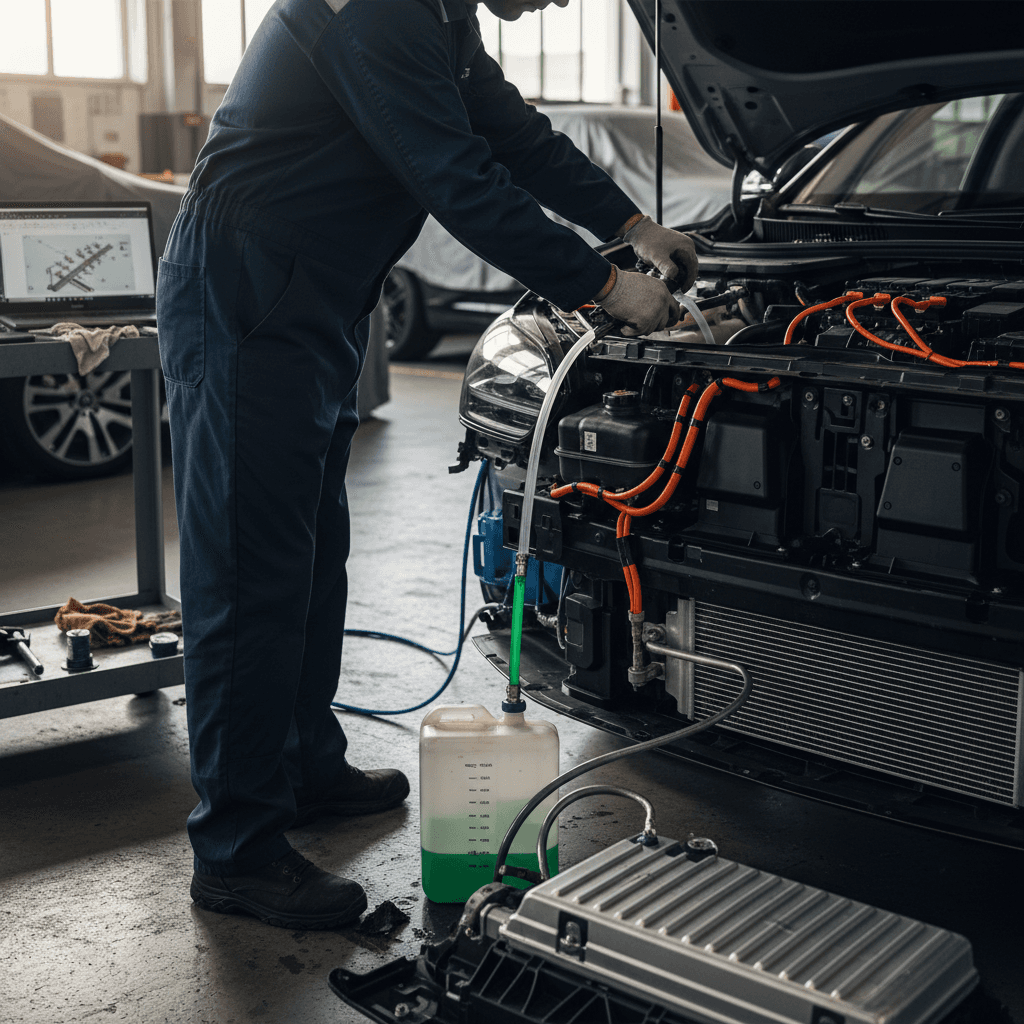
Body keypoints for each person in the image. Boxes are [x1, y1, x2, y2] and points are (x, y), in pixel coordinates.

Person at [157, 0, 698, 931]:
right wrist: (606, 286)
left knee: (309, 558)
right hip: (246, 289)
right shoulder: (382, 7)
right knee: (250, 574)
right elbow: (453, 175)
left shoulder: (441, 15)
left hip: (311, 293)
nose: (557, 2)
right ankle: (236, 848)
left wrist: (631, 223)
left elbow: (512, 134)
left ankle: (302, 767)